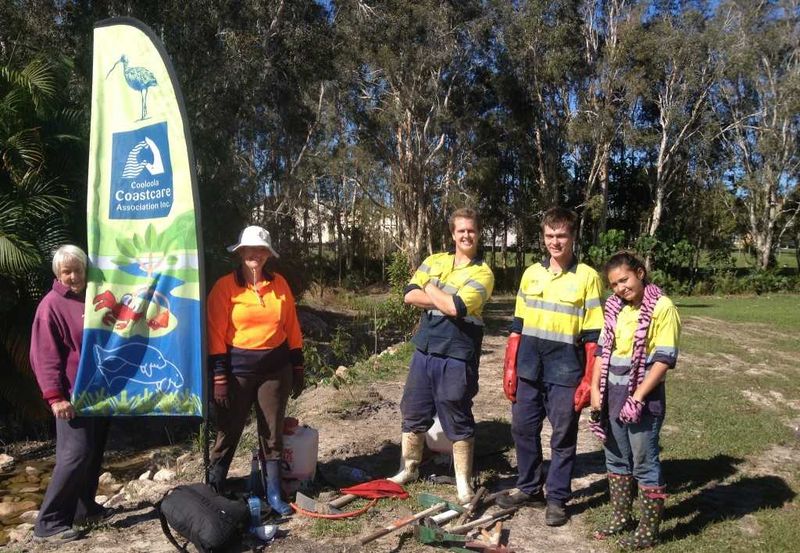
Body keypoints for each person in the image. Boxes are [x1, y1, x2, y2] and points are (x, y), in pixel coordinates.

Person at [498, 207, 603, 526]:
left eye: (561, 235)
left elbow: (593, 335)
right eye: (549, 235)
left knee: (562, 435)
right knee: (522, 429)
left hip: (566, 371)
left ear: (573, 236)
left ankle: (557, 498)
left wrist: (589, 379)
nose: (555, 242)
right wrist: (510, 368)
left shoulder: (588, 276)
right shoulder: (531, 274)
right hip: (530, 367)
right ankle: (529, 488)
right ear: (542, 237)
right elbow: (517, 326)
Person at [388, 207, 494, 503]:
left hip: (458, 352)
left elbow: (456, 308)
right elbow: (409, 294)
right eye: (460, 230)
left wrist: (430, 286)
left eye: (471, 230)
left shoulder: (483, 273)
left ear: (478, 232)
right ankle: (408, 468)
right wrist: (438, 295)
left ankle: (463, 482)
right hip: (426, 347)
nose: (466, 235)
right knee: (413, 407)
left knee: (456, 409)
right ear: (452, 234)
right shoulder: (435, 260)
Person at [206, 225, 304, 515]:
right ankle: (213, 487)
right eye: (250, 249)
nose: (255, 255)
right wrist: (220, 377)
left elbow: (292, 327)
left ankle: (273, 493)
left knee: (272, 431)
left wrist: (297, 364)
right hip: (236, 372)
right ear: (240, 253)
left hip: (275, 370)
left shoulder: (280, 285)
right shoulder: (224, 287)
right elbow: (215, 333)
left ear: (267, 255)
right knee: (229, 429)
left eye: (261, 250)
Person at [589, 251, 680, 549]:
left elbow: (664, 360)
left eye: (624, 280)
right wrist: (595, 391)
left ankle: (648, 532)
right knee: (615, 456)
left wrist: (638, 397)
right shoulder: (615, 308)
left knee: (644, 461)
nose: (619, 288)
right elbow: (603, 353)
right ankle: (620, 518)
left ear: (640, 273)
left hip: (643, 398)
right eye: (613, 284)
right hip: (611, 394)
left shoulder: (662, 307)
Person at [30, 245, 110, 542]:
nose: (73, 276)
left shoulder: (91, 298)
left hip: (98, 393)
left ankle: (83, 507)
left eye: (78, 270)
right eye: (67, 271)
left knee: (92, 452)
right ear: (57, 274)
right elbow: (44, 355)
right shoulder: (51, 306)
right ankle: (48, 523)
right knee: (74, 454)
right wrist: (55, 397)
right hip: (71, 396)